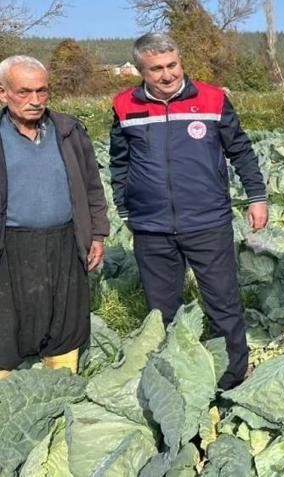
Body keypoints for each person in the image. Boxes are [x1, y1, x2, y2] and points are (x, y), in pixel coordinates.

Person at [109, 33, 268, 390]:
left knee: (223, 303)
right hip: (151, 227)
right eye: (156, 69)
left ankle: (233, 376)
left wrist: (257, 196)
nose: (167, 75)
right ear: (141, 71)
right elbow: (119, 164)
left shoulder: (212, 99)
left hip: (207, 221)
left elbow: (240, 151)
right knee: (161, 311)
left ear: (180, 62)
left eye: (172, 65)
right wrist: (124, 210)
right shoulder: (124, 106)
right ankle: (173, 378)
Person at [0, 55, 108, 379]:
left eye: (42, 91)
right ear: (3, 93)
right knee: (6, 322)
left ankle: (60, 387)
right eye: (24, 92)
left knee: (64, 320)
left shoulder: (69, 131)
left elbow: (92, 185)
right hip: (10, 245)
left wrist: (98, 234)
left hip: (65, 240)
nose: (35, 101)